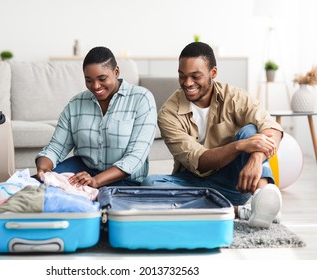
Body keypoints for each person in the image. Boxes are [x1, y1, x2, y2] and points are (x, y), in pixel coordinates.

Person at [141, 42, 283, 228]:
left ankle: (262, 198)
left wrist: (256, 158)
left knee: (251, 131)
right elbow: (200, 161)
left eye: (195, 76)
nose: (187, 83)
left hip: (236, 182)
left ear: (213, 73)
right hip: (192, 184)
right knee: (150, 185)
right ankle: (239, 210)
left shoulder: (235, 97)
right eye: (182, 76)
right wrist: (240, 146)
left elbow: (273, 129)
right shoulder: (168, 113)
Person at [36, 46, 157, 188]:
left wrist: (96, 181)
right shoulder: (76, 103)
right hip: (82, 169)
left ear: (116, 71)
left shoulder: (141, 99)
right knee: (41, 185)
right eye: (89, 80)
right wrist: (44, 168)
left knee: (98, 201)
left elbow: (135, 157)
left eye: (102, 78)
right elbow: (56, 148)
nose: (95, 86)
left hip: (125, 178)